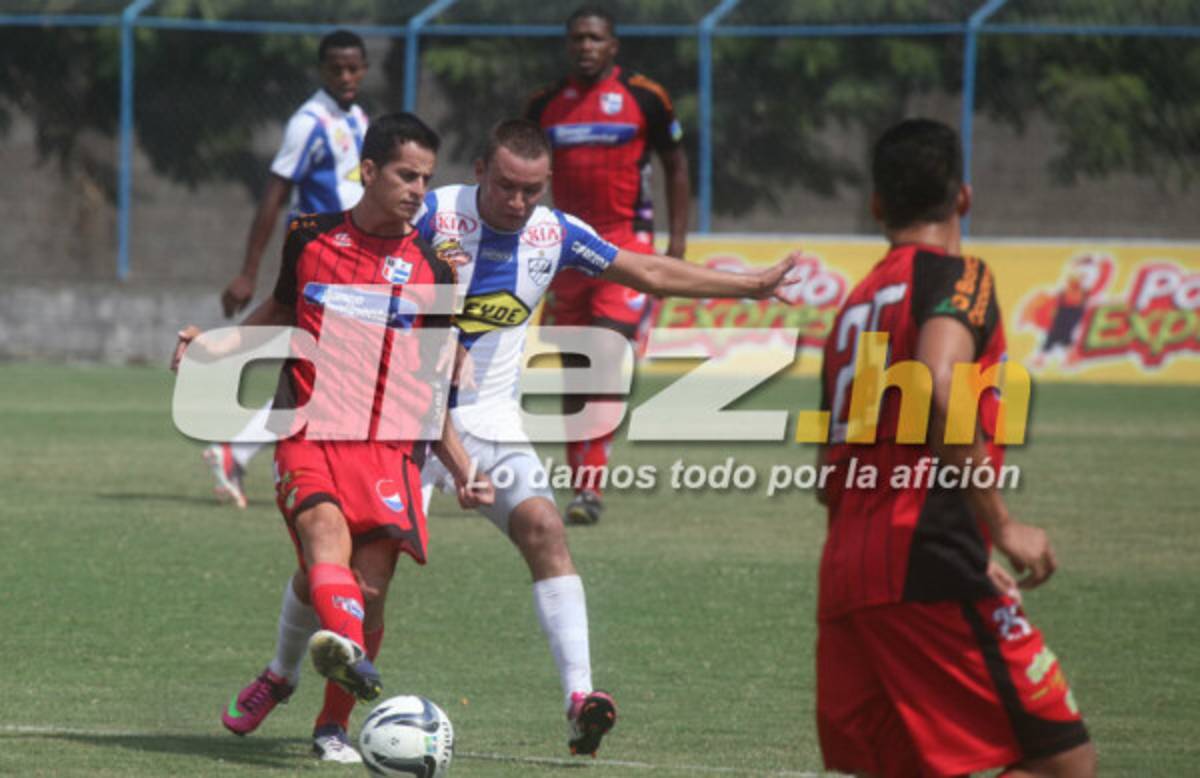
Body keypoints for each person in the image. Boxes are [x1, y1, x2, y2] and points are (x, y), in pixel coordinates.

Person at [228, 118, 797, 760]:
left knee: (544, 530)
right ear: (477, 173)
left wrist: (750, 285)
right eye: (506, 187)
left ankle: (581, 698)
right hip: (400, 418)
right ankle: (280, 674)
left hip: (491, 420)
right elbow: (353, 265)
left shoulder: (554, 234)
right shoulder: (430, 214)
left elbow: (647, 272)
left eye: (533, 189)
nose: (519, 202)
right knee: (341, 568)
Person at [175, 112, 493, 764]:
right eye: (407, 174)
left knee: (365, 590)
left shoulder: (434, 268)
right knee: (324, 541)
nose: (418, 190)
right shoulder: (309, 236)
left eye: (427, 179)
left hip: (390, 446)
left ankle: (312, 707)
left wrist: (461, 466)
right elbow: (278, 314)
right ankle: (348, 671)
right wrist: (214, 344)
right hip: (309, 429)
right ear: (369, 171)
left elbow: (433, 387)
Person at [814, 118, 1096, 778]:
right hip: (919, 553)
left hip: (851, 568)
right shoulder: (957, 275)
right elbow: (940, 385)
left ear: (877, 205)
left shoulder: (855, 305)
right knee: (1063, 763)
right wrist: (1000, 527)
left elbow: (834, 469)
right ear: (964, 197)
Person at [525, 5, 690, 525]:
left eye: (595, 38)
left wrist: (677, 244)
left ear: (613, 46)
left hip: (626, 244)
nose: (585, 46)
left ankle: (589, 485)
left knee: (602, 352)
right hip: (568, 248)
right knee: (575, 367)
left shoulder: (646, 97)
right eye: (577, 38)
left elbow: (676, 165)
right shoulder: (545, 105)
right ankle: (586, 488)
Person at [203, 30, 371, 509]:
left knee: (319, 374)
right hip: (323, 260)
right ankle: (243, 451)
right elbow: (274, 195)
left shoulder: (358, 118)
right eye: (336, 68)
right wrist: (248, 271)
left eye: (353, 67)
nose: (345, 76)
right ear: (321, 70)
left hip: (356, 262)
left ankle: (237, 450)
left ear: (363, 69)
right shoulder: (309, 122)